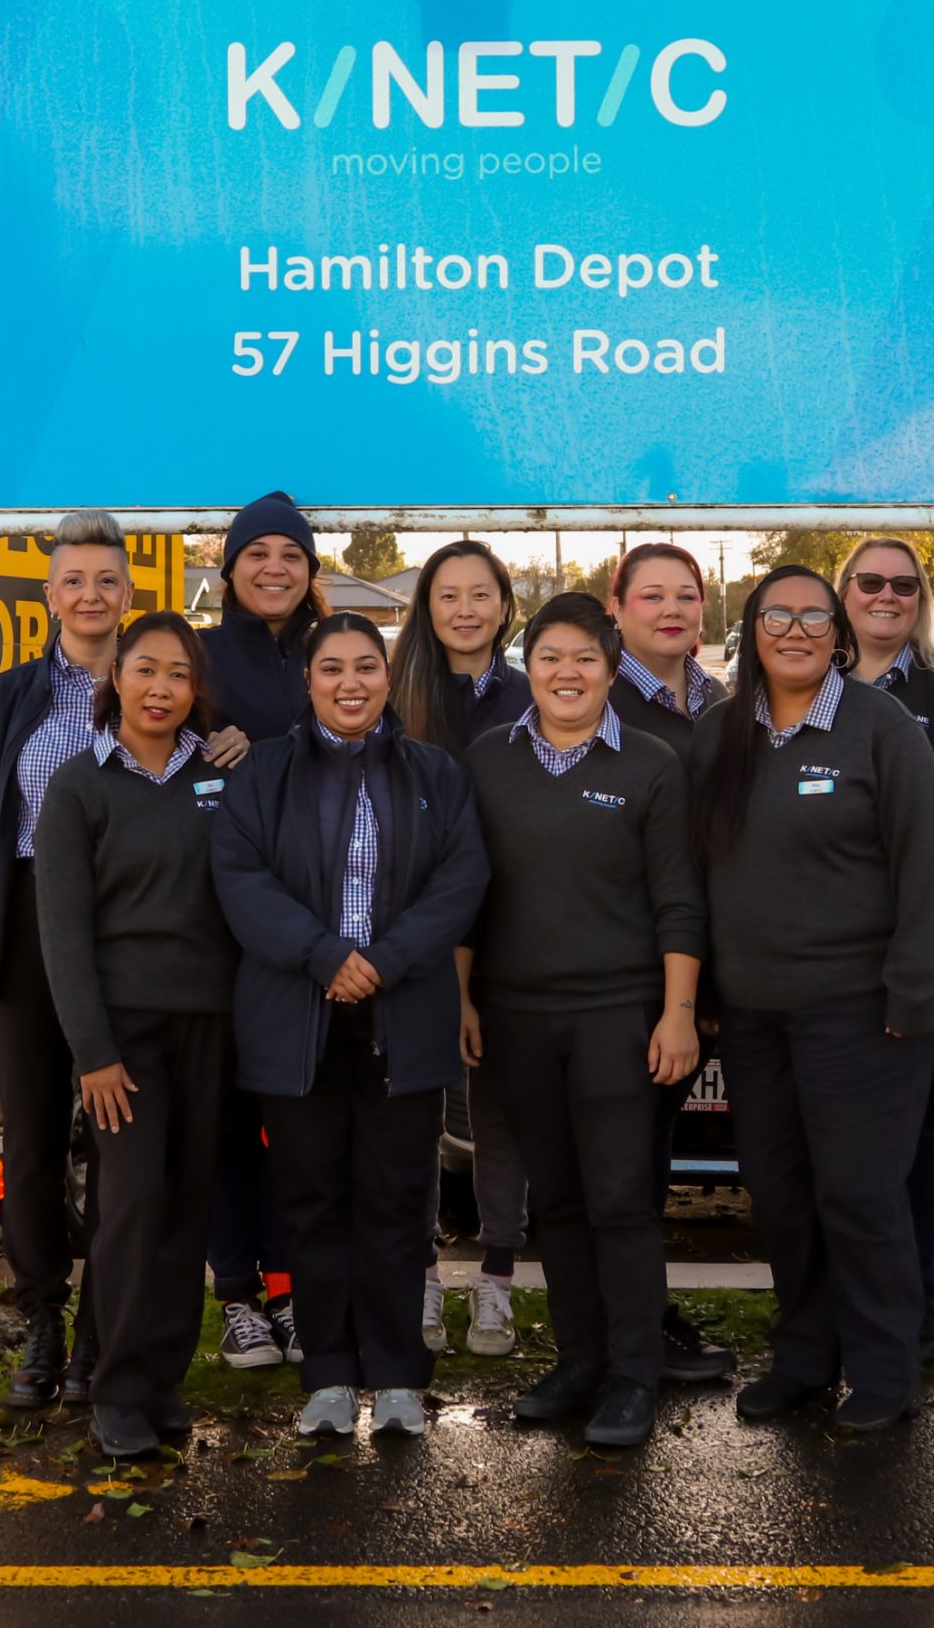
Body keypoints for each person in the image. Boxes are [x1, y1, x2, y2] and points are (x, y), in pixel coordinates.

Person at [0, 516, 243, 1406]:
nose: (92, 595)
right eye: (75, 580)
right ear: (50, 594)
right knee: (31, 1137)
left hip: (142, 936)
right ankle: (41, 1317)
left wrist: (239, 746)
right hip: (35, 926)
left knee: (125, 1146)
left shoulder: (168, 686)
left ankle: (104, 1338)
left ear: (129, 595)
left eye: (108, 580)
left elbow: (216, 785)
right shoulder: (8, 698)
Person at [212, 614, 490, 1439]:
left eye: (366, 666)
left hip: (404, 1014)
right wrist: (325, 954)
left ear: (386, 676)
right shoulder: (263, 772)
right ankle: (330, 1374)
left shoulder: (435, 772)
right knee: (313, 1203)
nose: (350, 683)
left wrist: (388, 959)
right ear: (308, 680)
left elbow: (461, 879)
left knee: (399, 1201)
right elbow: (239, 876)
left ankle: (399, 1373)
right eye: (331, 668)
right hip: (296, 1018)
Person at [691, 566, 934, 1432]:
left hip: (861, 1012)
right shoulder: (720, 735)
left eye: (813, 616)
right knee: (780, 1194)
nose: (795, 630)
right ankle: (806, 1356)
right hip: (756, 1016)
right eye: (777, 615)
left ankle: (885, 1365)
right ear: (752, 630)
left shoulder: (883, 729)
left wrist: (912, 995)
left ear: (838, 634)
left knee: (861, 1194)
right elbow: (696, 871)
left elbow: (925, 871)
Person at [463, 592, 706, 1450]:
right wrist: (462, 996)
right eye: (552, 657)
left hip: (617, 1013)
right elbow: (468, 892)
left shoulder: (648, 765)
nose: (568, 674)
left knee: (620, 1199)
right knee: (555, 1202)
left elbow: (680, 898)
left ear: (611, 671)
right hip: (517, 1015)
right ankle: (579, 1360)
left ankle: (636, 1374)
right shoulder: (489, 758)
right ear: (530, 667)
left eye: (586, 660)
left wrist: (679, 1015)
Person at [35, 612, 236, 1458]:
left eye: (179, 675)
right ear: (114, 677)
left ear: (197, 690)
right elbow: (63, 935)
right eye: (145, 670)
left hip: (212, 1024)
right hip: (123, 1033)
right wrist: (95, 1054)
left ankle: (161, 1378)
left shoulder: (222, 775)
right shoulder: (79, 786)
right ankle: (112, 1387)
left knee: (189, 1204)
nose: (161, 688)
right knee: (130, 1205)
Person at [834, 537, 934, 1361]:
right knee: (838, 1147)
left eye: (903, 583)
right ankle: (837, 1308)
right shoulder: (799, 687)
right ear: (844, 592)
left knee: (915, 1142)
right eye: (869, 582)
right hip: (827, 967)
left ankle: (913, 1308)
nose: (886, 596)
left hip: (928, 965)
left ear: (920, 598)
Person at [197, 492, 330, 1372]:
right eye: (258, 553)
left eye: (291, 553)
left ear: (312, 570)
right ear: (231, 568)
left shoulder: (335, 653)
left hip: (319, 922)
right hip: (220, 925)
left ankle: (290, 1292)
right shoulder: (199, 658)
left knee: (297, 1121)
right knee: (228, 1121)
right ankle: (238, 1294)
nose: (275, 566)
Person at [390, 541, 530, 1359]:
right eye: (450, 595)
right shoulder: (395, 694)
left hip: (515, 934)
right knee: (413, 1117)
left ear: (506, 606)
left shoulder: (530, 691)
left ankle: (498, 1281)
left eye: (483, 595)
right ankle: (421, 1281)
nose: (467, 609)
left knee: (501, 1115)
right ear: (428, 606)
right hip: (417, 940)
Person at [607, 544, 733, 1384]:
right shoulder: (593, 699)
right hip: (627, 975)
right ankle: (633, 1338)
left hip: (714, 967)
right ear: (616, 606)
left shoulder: (725, 703)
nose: (670, 609)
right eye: (650, 595)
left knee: (659, 1166)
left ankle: (649, 1322)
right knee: (630, 1170)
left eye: (686, 595)